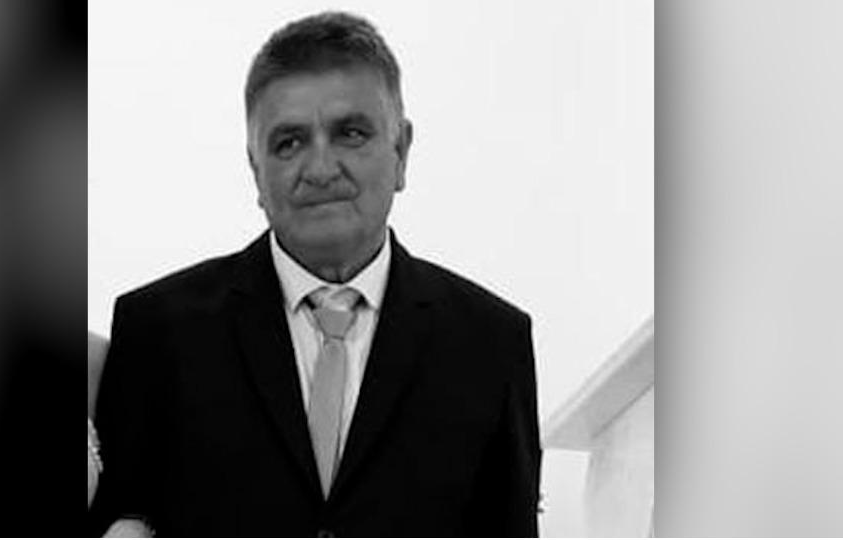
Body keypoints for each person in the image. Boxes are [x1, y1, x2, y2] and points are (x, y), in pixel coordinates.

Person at [91, 11, 540, 537]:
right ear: (255, 170)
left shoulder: (491, 343)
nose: (321, 169)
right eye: (289, 142)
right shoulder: (157, 332)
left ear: (401, 151)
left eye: (351, 133)